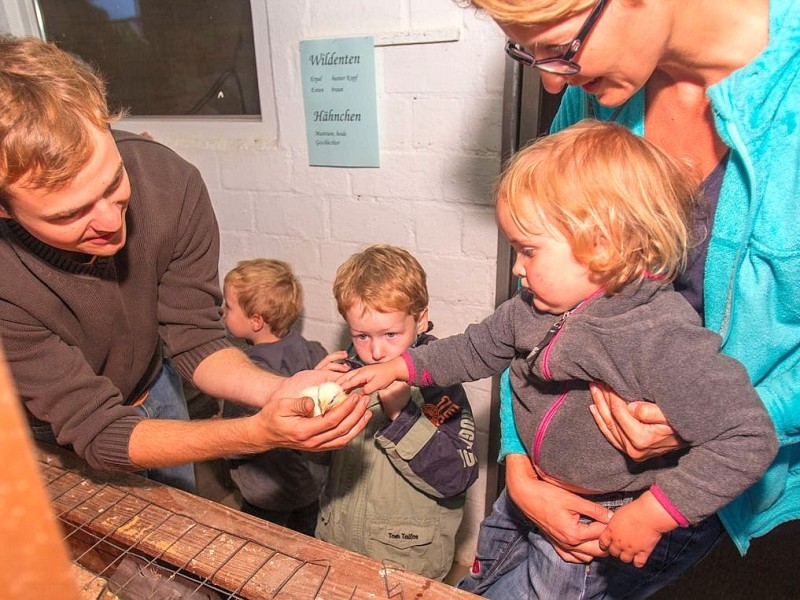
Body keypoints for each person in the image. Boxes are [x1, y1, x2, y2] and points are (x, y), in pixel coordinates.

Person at [339, 121, 777, 598]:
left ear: (603, 245)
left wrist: (652, 515)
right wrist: (400, 367)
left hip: (594, 521)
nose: (517, 267)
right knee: (481, 584)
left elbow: (747, 437)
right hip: (524, 498)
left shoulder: (658, 335)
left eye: (528, 250)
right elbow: (473, 348)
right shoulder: (529, 309)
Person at [462, 0, 800, 588]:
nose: (549, 80)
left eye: (560, 47)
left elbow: (741, 432)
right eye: (529, 51)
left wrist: (705, 422)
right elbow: (542, 311)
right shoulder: (593, 90)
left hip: (741, 502)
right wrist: (520, 467)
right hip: (571, 478)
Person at [0, 34, 370, 493]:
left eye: (114, 181)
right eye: (69, 213)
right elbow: (97, 429)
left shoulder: (168, 182)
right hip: (55, 429)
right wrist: (255, 433)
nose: (111, 221)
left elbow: (194, 337)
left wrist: (275, 390)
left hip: (157, 386)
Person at [314, 244, 478, 581]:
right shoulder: (346, 374)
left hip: (405, 563)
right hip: (336, 545)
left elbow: (456, 477)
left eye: (390, 334)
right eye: (362, 336)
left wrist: (403, 415)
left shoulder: (439, 385)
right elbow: (314, 466)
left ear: (419, 320)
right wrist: (314, 406)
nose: (375, 351)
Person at [221, 258, 330, 536]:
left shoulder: (245, 376)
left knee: (258, 545)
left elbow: (236, 439)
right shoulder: (312, 350)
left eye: (228, 306)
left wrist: (219, 427)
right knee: (304, 541)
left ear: (256, 321)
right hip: (310, 485)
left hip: (266, 491)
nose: (222, 311)